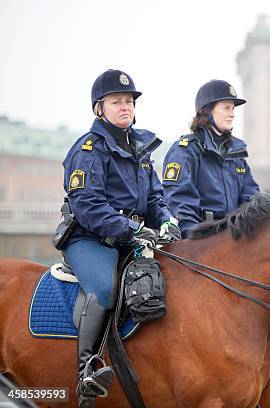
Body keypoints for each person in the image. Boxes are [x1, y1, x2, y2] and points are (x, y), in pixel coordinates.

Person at [60, 69, 181, 407]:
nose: (125, 106)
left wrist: (168, 221)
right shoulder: (87, 149)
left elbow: (156, 198)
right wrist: (131, 230)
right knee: (103, 289)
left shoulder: (141, 147)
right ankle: (87, 372)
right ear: (100, 108)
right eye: (116, 101)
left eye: (129, 101)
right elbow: (88, 206)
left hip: (133, 237)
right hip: (90, 239)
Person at [162, 79, 259, 236]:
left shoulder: (236, 153)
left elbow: (251, 197)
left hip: (233, 236)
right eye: (226, 108)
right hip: (202, 237)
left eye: (233, 109)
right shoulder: (185, 151)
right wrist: (197, 237)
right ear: (207, 111)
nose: (232, 114)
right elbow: (180, 201)